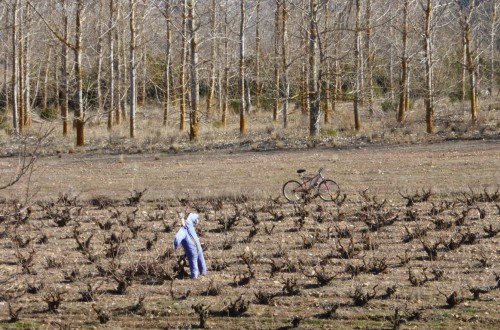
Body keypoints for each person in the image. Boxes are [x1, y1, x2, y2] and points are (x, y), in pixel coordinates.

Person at [173, 213, 207, 279]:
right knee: (201, 259)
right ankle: (203, 272)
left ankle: (195, 275)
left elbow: (177, 239)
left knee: (193, 260)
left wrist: (175, 246)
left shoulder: (182, 231)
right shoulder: (189, 222)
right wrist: (197, 218)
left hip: (191, 249)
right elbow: (193, 215)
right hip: (197, 246)